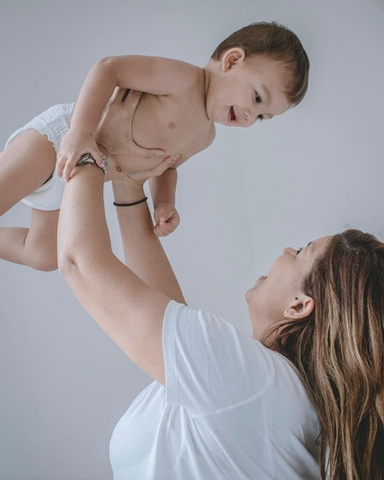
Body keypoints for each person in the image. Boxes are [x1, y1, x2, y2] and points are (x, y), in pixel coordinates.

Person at [57, 156, 384, 480]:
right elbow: (161, 308)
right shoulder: (286, 404)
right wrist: (129, 185)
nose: (286, 250)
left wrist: (89, 151)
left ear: (299, 306)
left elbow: (80, 262)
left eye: (300, 252)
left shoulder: (253, 384)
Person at [0, 21, 309, 271]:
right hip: (58, 140)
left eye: (261, 117)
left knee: (44, 255)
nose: (249, 117)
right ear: (232, 60)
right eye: (256, 98)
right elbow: (108, 68)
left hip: (76, 181)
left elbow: (167, 166)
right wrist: (80, 131)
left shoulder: (205, 136)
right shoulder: (183, 79)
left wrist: (164, 202)